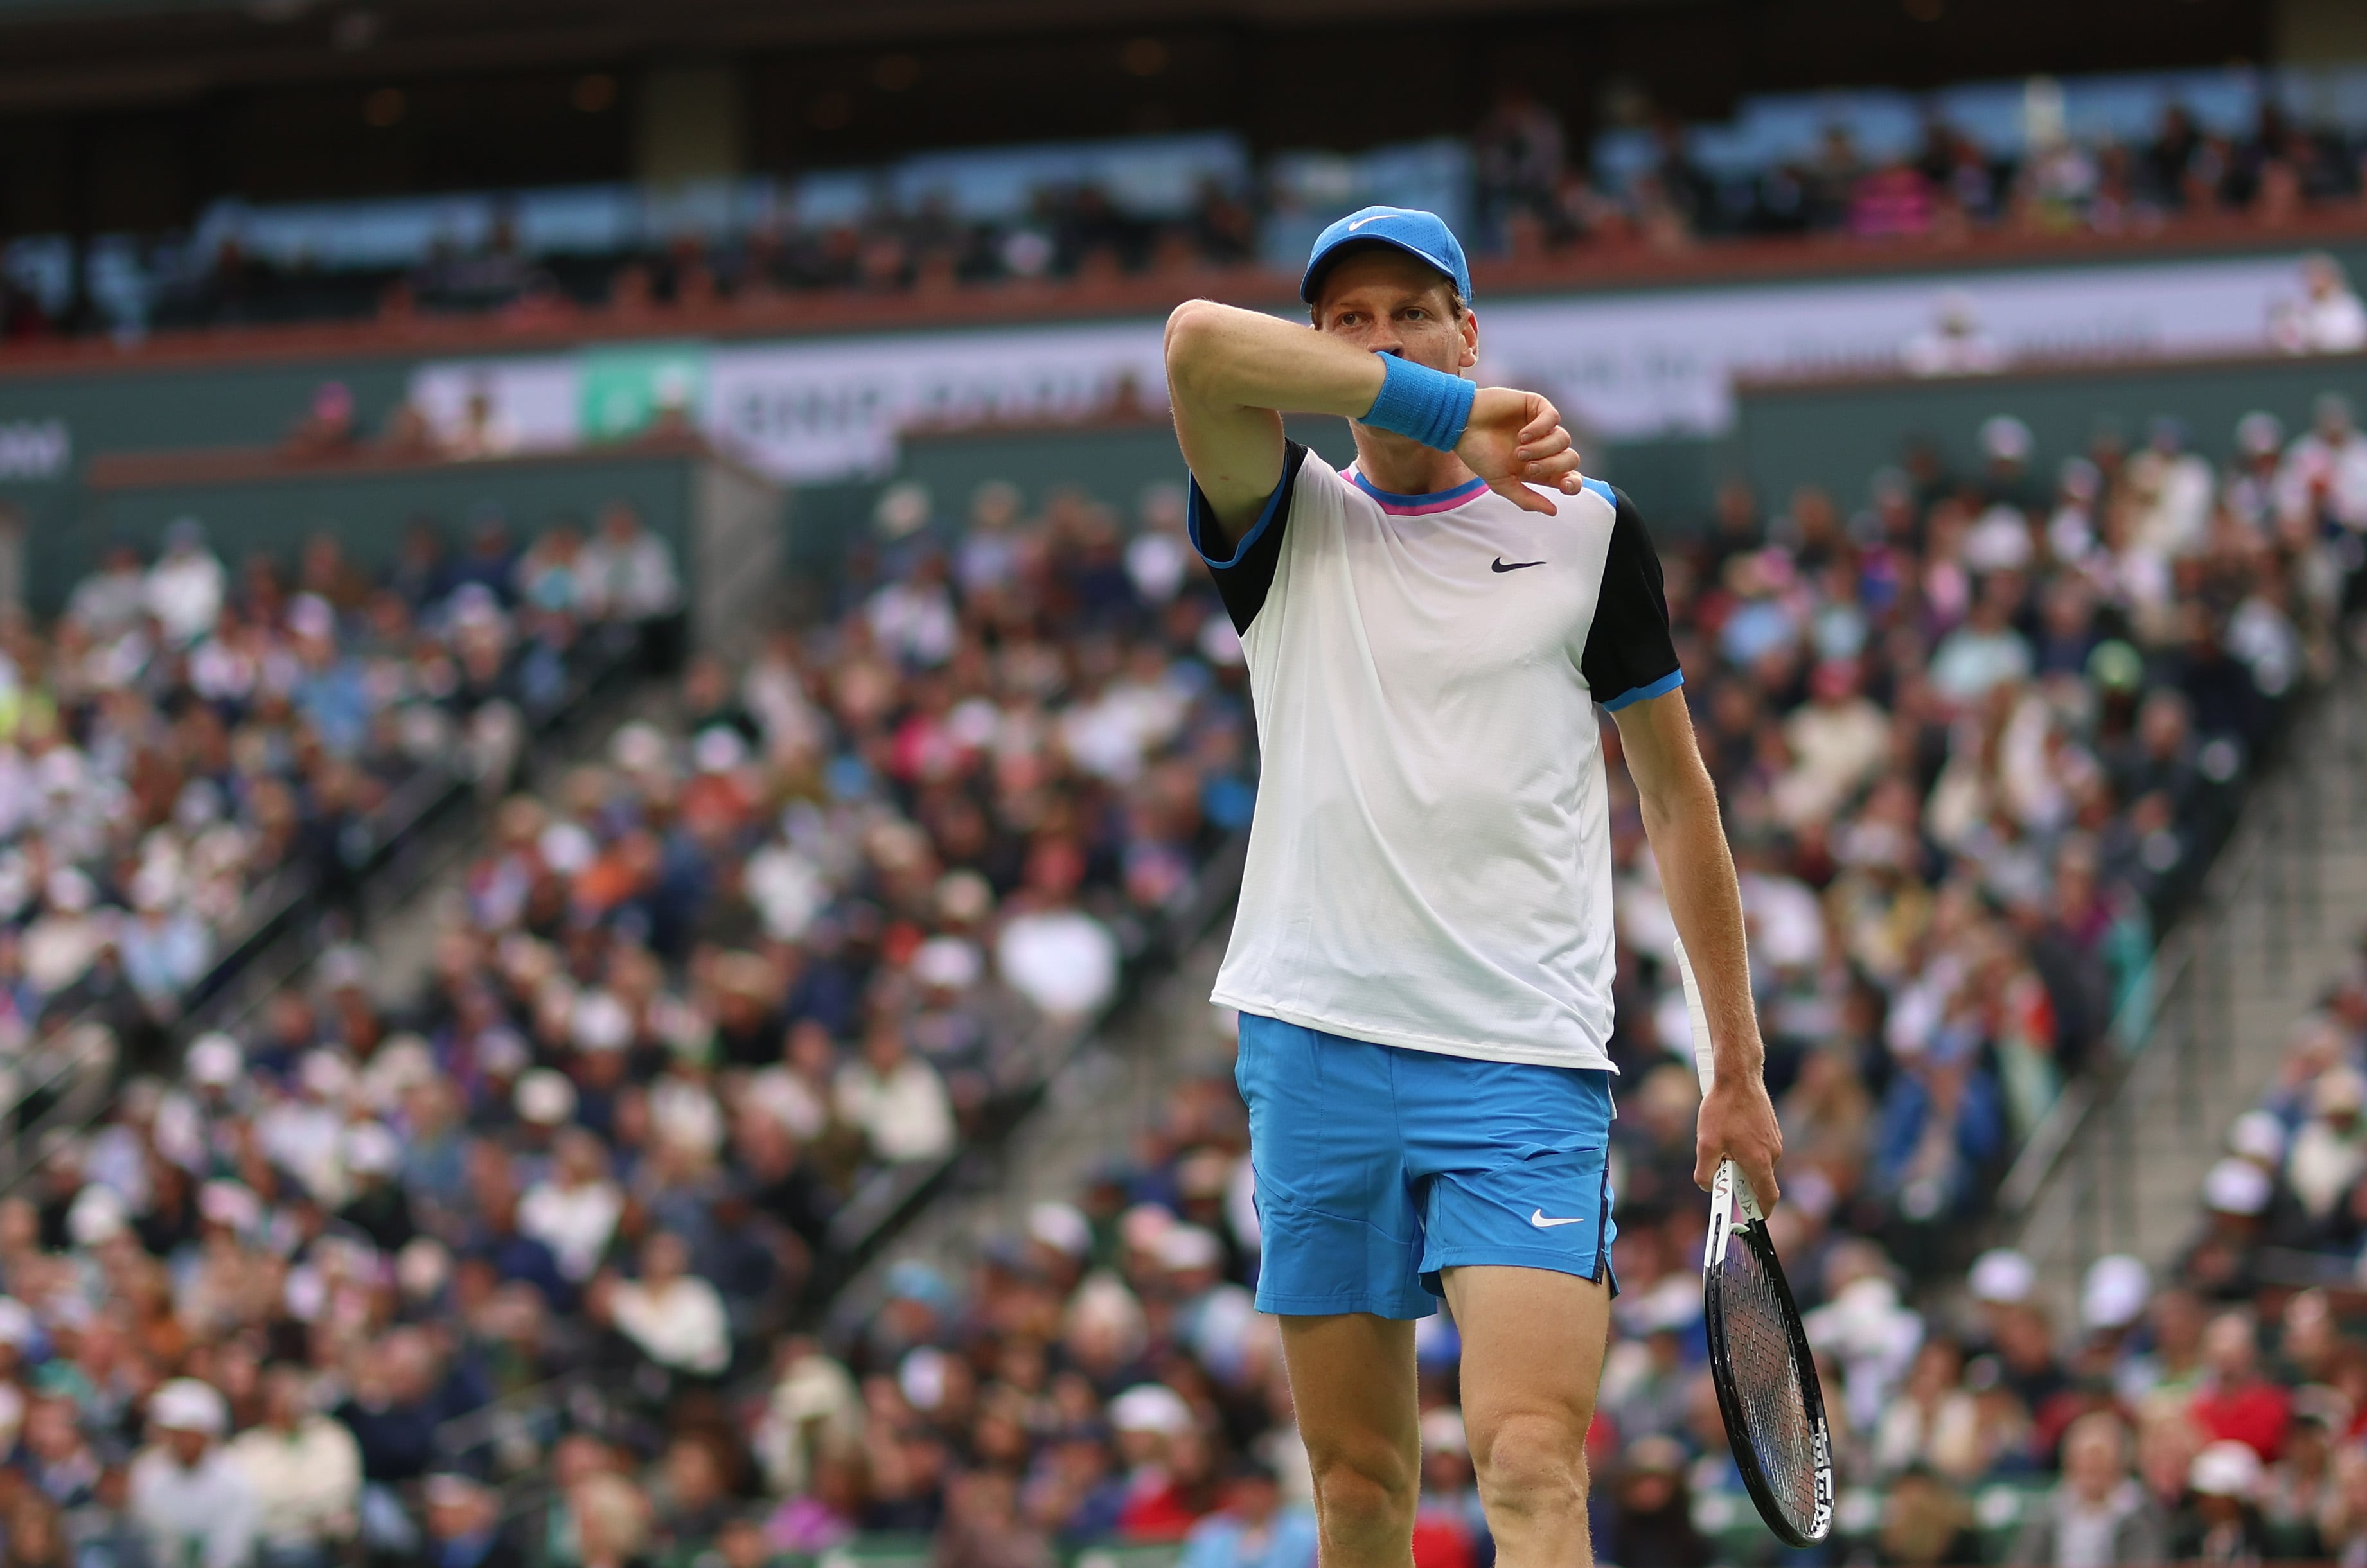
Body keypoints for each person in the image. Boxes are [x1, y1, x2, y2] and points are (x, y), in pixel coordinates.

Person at [1162, 206, 1783, 1568]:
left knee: (1529, 1461)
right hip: (1315, 1041)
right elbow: (1199, 343)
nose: (1380, 338)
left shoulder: (1589, 533)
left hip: (1522, 1060)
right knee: (1364, 1484)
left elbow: (1679, 800)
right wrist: (1462, 409)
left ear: (1472, 329)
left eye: (1414, 313)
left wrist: (1735, 1060)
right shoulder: (1284, 520)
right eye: (1349, 321)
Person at [126, 1379, 259, 1568]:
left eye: (186, 1432)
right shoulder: (147, 1472)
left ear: (206, 1433)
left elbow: (233, 1548)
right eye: (173, 1432)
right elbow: (152, 1541)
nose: (179, 1440)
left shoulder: (235, 1476)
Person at [2008, 1411, 2168, 1567]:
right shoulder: (2047, 1511)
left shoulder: (2141, 1511)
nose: (2091, 1464)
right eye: (2083, 1457)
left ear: (2120, 1463)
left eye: (2099, 1457)